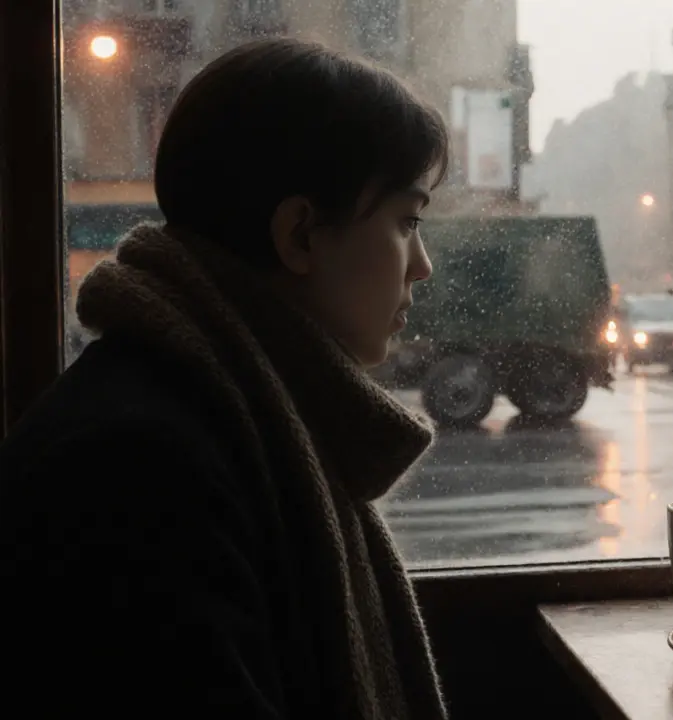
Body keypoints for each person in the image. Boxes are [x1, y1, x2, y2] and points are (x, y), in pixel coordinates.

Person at [0, 38, 450, 719]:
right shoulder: (140, 468)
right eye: (406, 221)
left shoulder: (205, 411)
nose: (423, 266)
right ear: (300, 234)